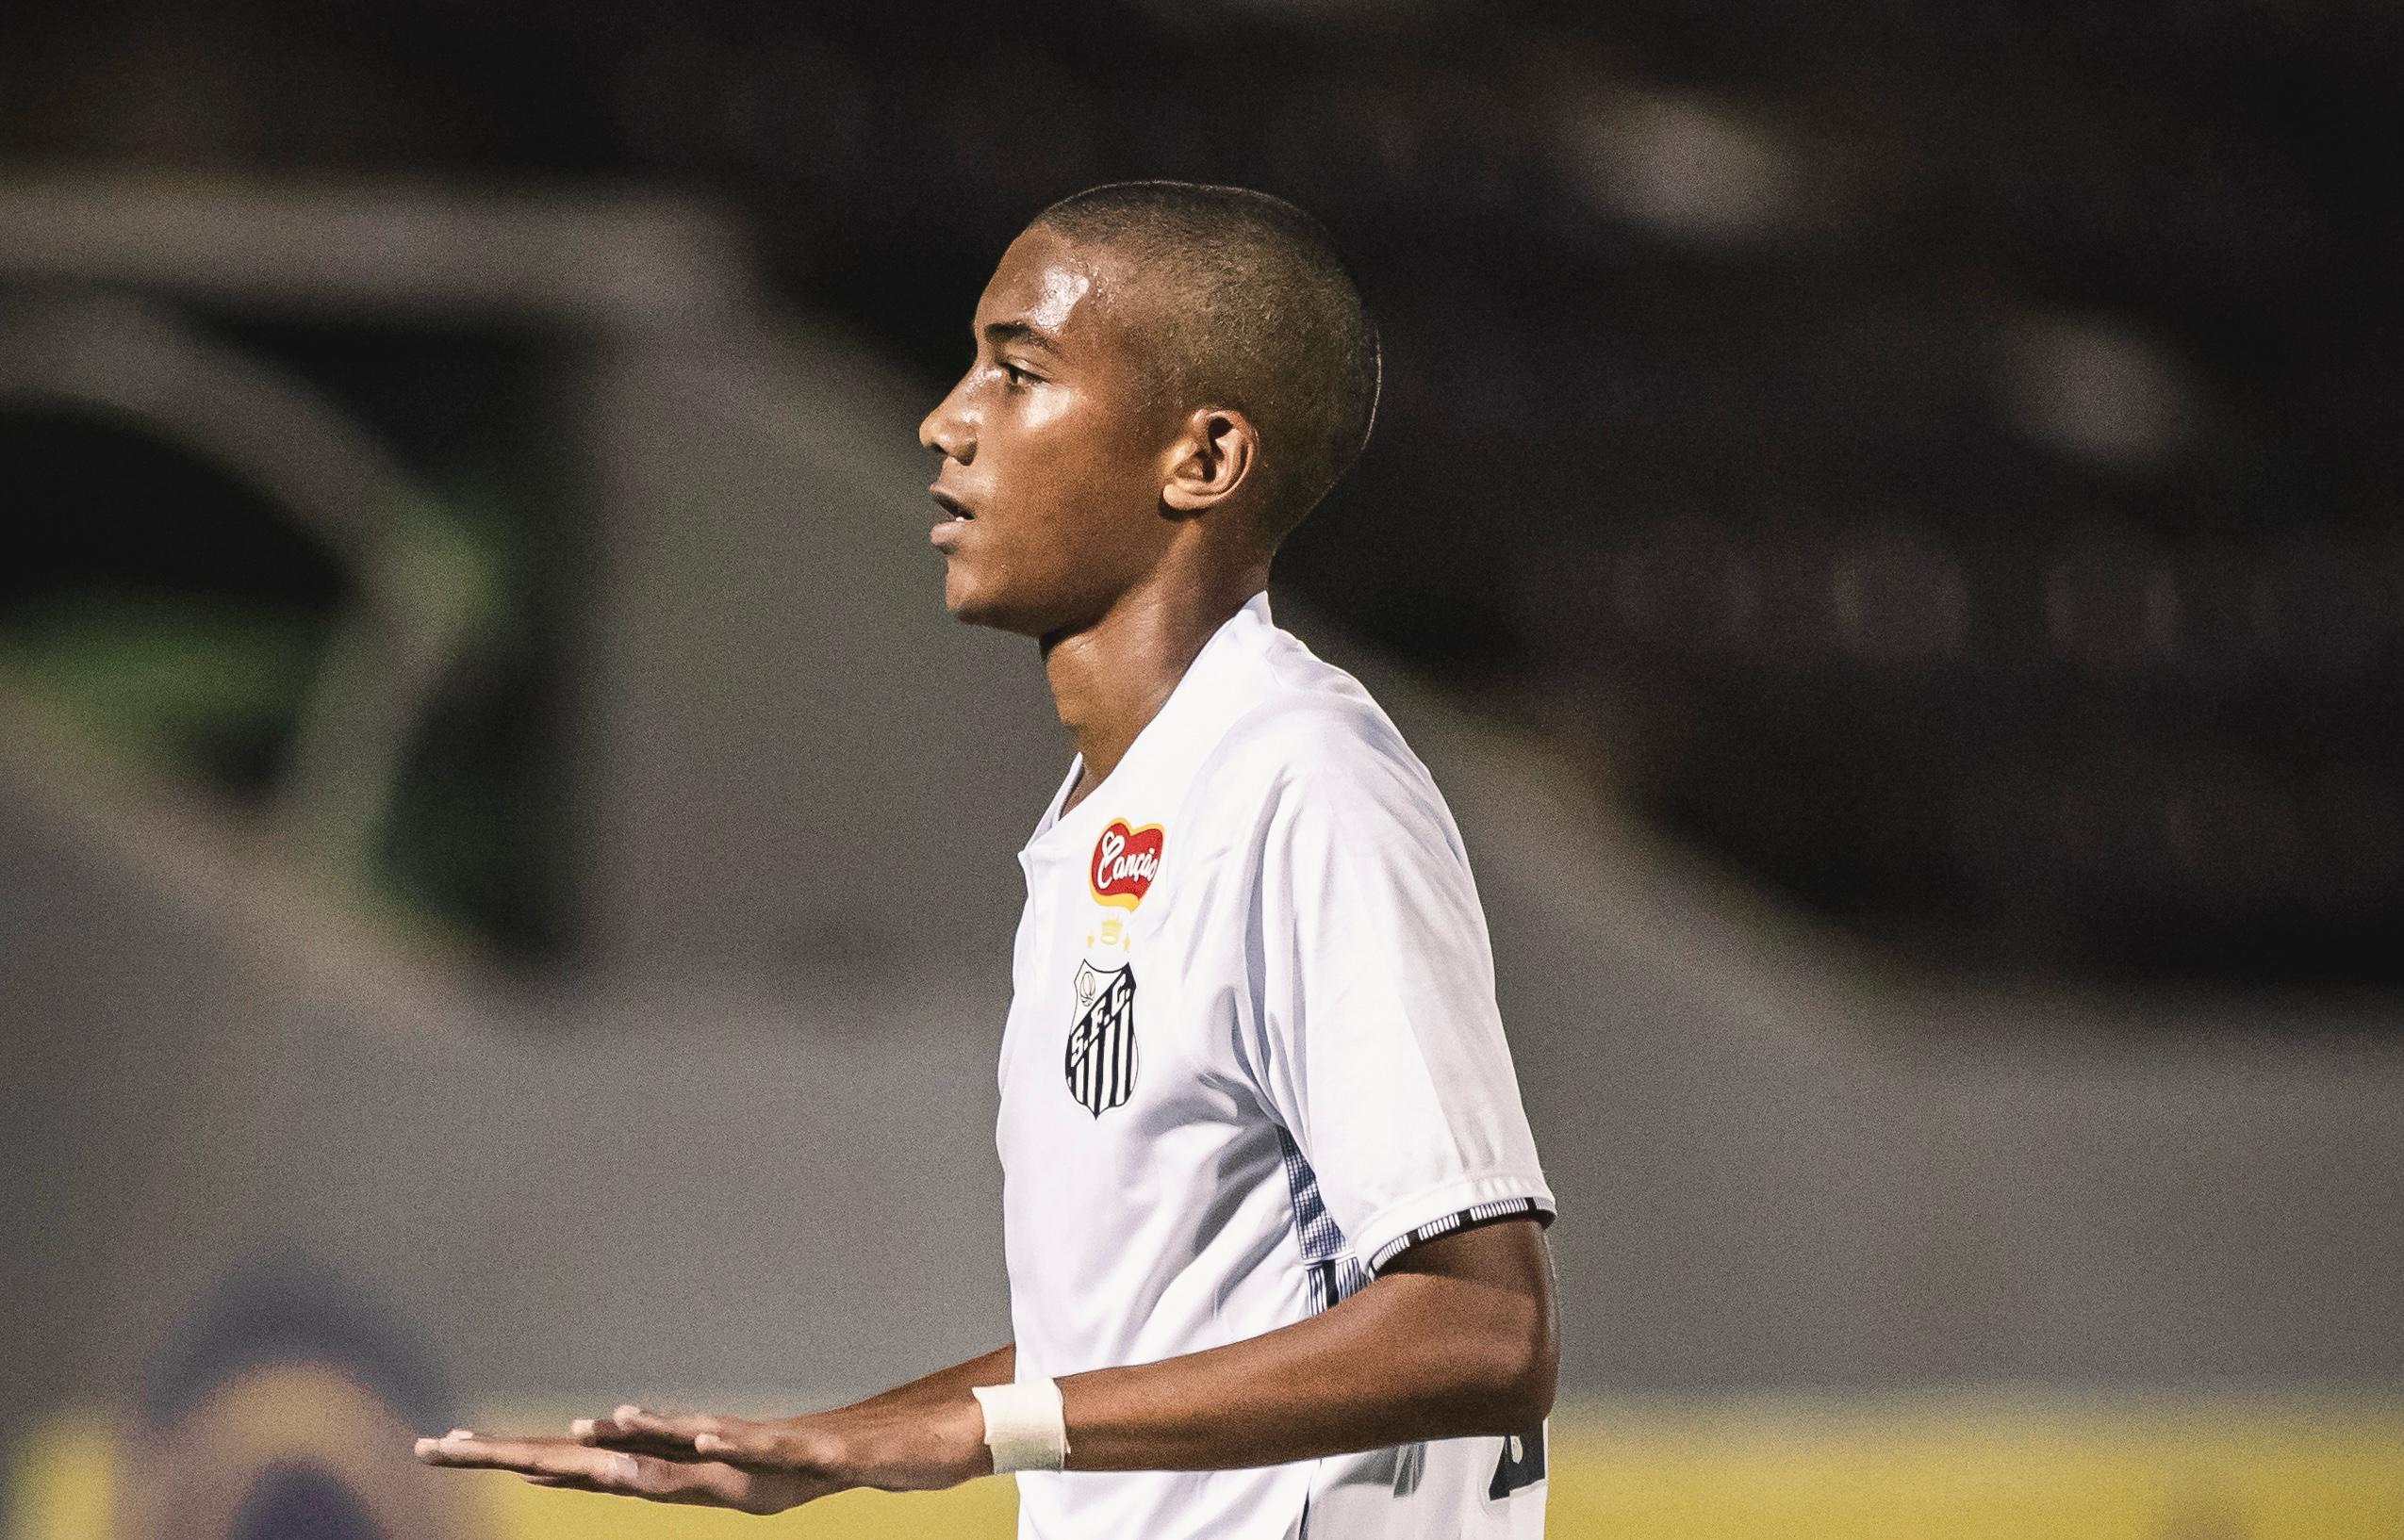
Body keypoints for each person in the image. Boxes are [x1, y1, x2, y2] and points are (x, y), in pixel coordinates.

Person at [417, 180, 1559, 1538]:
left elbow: (1484, 1330)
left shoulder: (1301, 781)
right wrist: (835, 1444)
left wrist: (973, 1431)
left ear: (1201, 459)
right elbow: (1150, 1329)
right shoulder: (1130, 803)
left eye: (1017, 372)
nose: (946, 419)